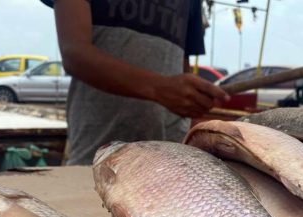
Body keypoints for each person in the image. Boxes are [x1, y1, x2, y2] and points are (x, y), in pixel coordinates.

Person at [41, 0, 229, 164]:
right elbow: (75, 54)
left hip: (170, 157)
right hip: (101, 155)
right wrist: (159, 89)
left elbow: (181, 66)